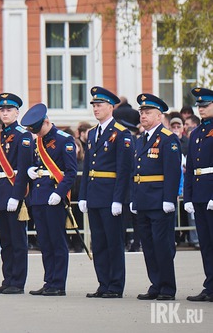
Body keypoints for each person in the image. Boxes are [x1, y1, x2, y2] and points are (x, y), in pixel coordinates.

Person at [79, 86, 133, 299]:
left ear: (110, 107)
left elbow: (124, 169)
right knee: (99, 243)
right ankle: (103, 283)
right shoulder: (92, 133)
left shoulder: (121, 133)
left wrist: (119, 199)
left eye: (99, 105)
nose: (96, 109)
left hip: (110, 196)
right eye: (94, 105)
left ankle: (115, 285)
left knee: (113, 242)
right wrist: (83, 195)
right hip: (94, 195)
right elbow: (87, 168)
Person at [130, 93, 181, 300]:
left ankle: (167, 287)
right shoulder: (141, 139)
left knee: (162, 245)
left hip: (159, 200)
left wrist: (170, 198)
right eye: (141, 112)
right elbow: (136, 171)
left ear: (159, 116)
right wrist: (134, 197)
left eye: (148, 112)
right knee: (149, 246)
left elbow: (172, 171)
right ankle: (156, 284)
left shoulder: (168, 139)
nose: (143, 115)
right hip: (143, 199)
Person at [23, 103, 77, 297]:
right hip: (38, 197)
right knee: (44, 242)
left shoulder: (65, 140)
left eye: (39, 129)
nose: (37, 134)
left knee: (57, 242)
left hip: (54, 197)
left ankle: (58, 283)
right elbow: (37, 165)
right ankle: (49, 281)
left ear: (46, 121)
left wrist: (60, 193)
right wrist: (31, 171)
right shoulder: (38, 141)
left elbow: (71, 173)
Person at [0, 92, 32, 295]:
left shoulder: (23, 135)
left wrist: (17, 195)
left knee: (17, 241)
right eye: (2, 110)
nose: (5, 113)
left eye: (9, 110)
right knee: (5, 241)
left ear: (17, 112)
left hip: (14, 191)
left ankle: (18, 281)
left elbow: (23, 169)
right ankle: (8, 278)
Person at [185, 87, 213, 302]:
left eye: (205, 106)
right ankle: (210, 285)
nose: (201, 109)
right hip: (200, 194)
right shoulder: (196, 133)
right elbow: (191, 168)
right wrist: (188, 198)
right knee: (205, 243)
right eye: (199, 106)